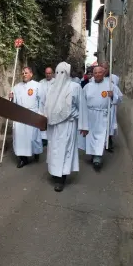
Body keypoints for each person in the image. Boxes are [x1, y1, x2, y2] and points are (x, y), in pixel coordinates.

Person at [44, 62, 83, 192]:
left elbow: (82, 107)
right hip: (54, 126)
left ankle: (61, 179)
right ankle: (55, 173)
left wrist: (84, 125)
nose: (60, 75)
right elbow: (47, 106)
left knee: (65, 150)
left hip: (68, 125)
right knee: (54, 150)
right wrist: (44, 120)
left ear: (67, 74)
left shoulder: (75, 87)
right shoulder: (52, 87)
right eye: (57, 72)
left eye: (63, 73)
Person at [79, 65, 123, 170]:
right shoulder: (87, 87)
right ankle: (93, 154)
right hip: (90, 115)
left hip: (102, 115)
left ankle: (98, 158)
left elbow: (120, 99)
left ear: (103, 74)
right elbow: (82, 102)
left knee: (100, 136)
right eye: (95, 73)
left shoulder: (110, 85)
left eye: (100, 73)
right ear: (93, 74)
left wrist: (113, 96)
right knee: (90, 136)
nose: (97, 75)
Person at [9, 66, 44, 168]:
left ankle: (36, 152)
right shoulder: (16, 87)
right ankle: (23, 159)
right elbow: (13, 103)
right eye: (23, 73)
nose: (24, 74)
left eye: (26, 73)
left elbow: (41, 101)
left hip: (32, 114)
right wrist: (11, 98)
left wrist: (40, 115)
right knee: (20, 137)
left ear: (31, 74)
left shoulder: (37, 86)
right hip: (20, 115)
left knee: (33, 137)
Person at [102, 61, 120, 152]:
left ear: (109, 68)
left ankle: (109, 141)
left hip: (111, 106)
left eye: (106, 68)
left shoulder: (114, 78)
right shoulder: (97, 78)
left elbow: (118, 93)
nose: (104, 70)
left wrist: (113, 95)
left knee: (110, 125)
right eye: (102, 68)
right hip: (101, 107)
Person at [38, 66, 55, 147]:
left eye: (49, 73)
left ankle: (52, 138)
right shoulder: (41, 82)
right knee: (43, 123)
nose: (48, 75)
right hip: (43, 106)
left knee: (51, 123)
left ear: (52, 74)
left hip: (52, 106)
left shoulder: (56, 82)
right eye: (47, 73)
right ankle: (44, 139)